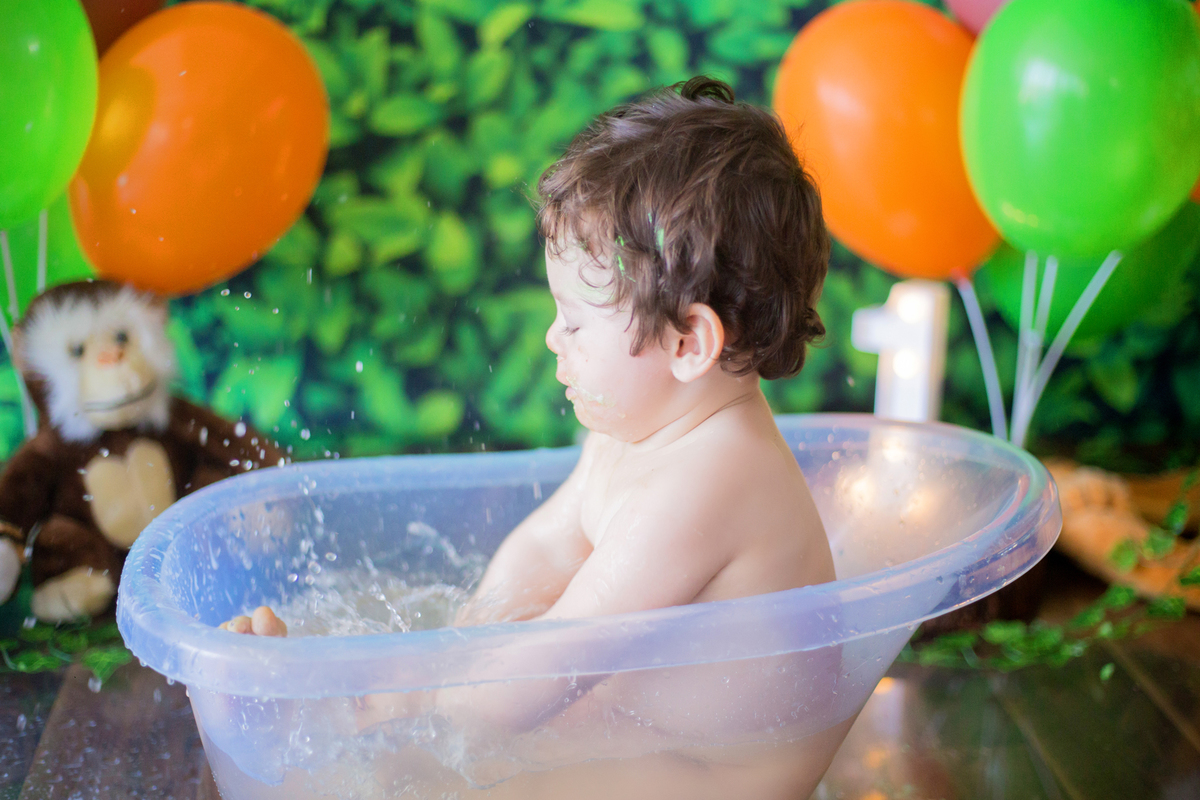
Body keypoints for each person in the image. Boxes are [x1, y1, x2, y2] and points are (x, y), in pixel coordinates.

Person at [221, 77, 838, 781]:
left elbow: (562, 656)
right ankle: (322, 695)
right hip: (634, 716)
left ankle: (318, 731)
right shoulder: (642, 426)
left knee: (429, 779)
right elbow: (548, 547)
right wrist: (459, 643)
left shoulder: (713, 481)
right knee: (459, 695)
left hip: (710, 773)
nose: (553, 339)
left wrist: (411, 719)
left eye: (575, 321)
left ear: (687, 344)